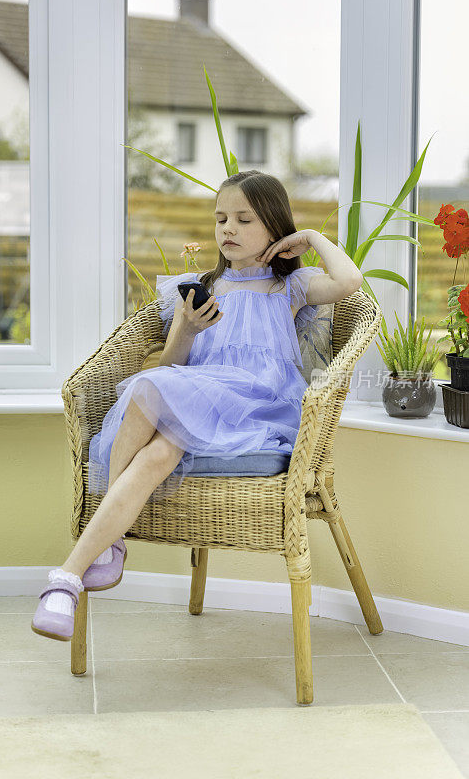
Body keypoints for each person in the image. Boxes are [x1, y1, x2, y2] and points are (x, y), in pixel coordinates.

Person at [31, 170, 363, 641]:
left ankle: (76, 565)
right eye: (221, 218)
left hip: (256, 407)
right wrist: (185, 330)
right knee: (155, 448)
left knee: (149, 389)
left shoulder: (289, 288)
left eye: (244, 220)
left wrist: (309, 237)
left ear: (274, 227)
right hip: (196, 403)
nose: (228, 228)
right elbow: (172, 367)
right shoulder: (199, 288)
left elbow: (350, 282)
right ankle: (73, 577)